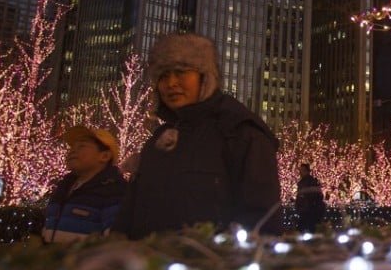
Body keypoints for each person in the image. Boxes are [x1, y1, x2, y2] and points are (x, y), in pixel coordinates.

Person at [112, 33, 283, 238]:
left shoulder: (240, 133)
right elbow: (129, 213)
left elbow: (262, 221)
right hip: (147, 265)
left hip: (209, 265)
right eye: (163, 76)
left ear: (205, 77)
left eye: (181, 72)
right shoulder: (158, 139)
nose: (171, 83)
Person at [41, 126, 128, 243]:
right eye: (72, 147)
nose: (72, 150)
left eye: (81, 146)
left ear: (105, 156)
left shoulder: (114, 190)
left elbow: (114, 240)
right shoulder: (63, 188)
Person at [295, 163, 326, 232]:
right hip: (305, 210)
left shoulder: (311, 182)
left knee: (307, 229)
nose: (300, 172)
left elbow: (317, 196)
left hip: (309, 211)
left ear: (307, 171)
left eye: (302, 170)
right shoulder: (302, 182)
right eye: (300, 170)